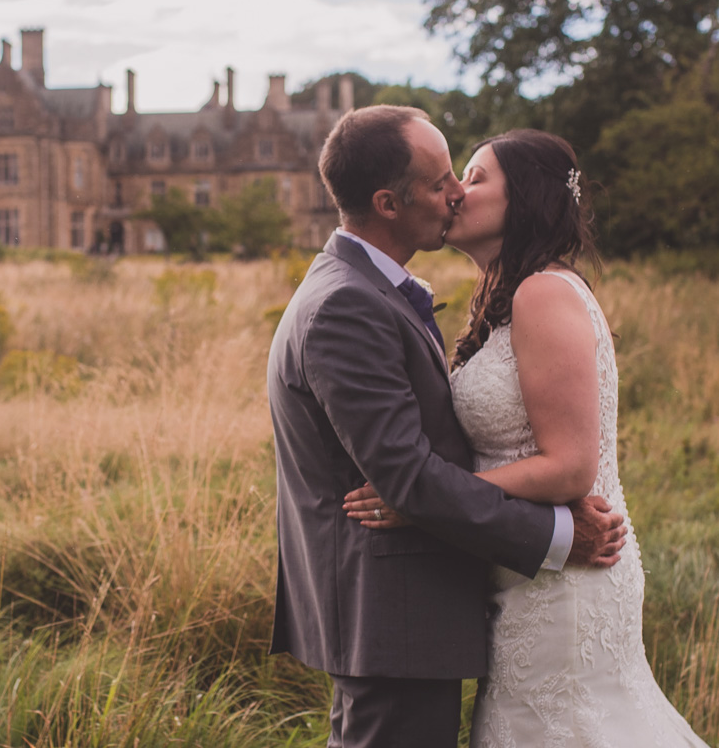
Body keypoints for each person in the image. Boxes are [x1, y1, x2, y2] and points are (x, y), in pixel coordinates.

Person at [267, 106, 628, 748]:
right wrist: (555, 534)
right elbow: (409, 479)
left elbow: (424, 475)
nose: (456, 193)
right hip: (391, 615)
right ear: (388, 203)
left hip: (422, 613)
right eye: (442, 182)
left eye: (467, 178)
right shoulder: (348, 303)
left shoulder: (378, 290)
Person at [344, 129, 710, 747]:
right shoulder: (508, 296)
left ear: (525, 198)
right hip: (527, 572)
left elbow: (570, 467)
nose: (456, 191)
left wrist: (425, 499)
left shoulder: (542, 293)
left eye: (476, 178)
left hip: (567, 582)